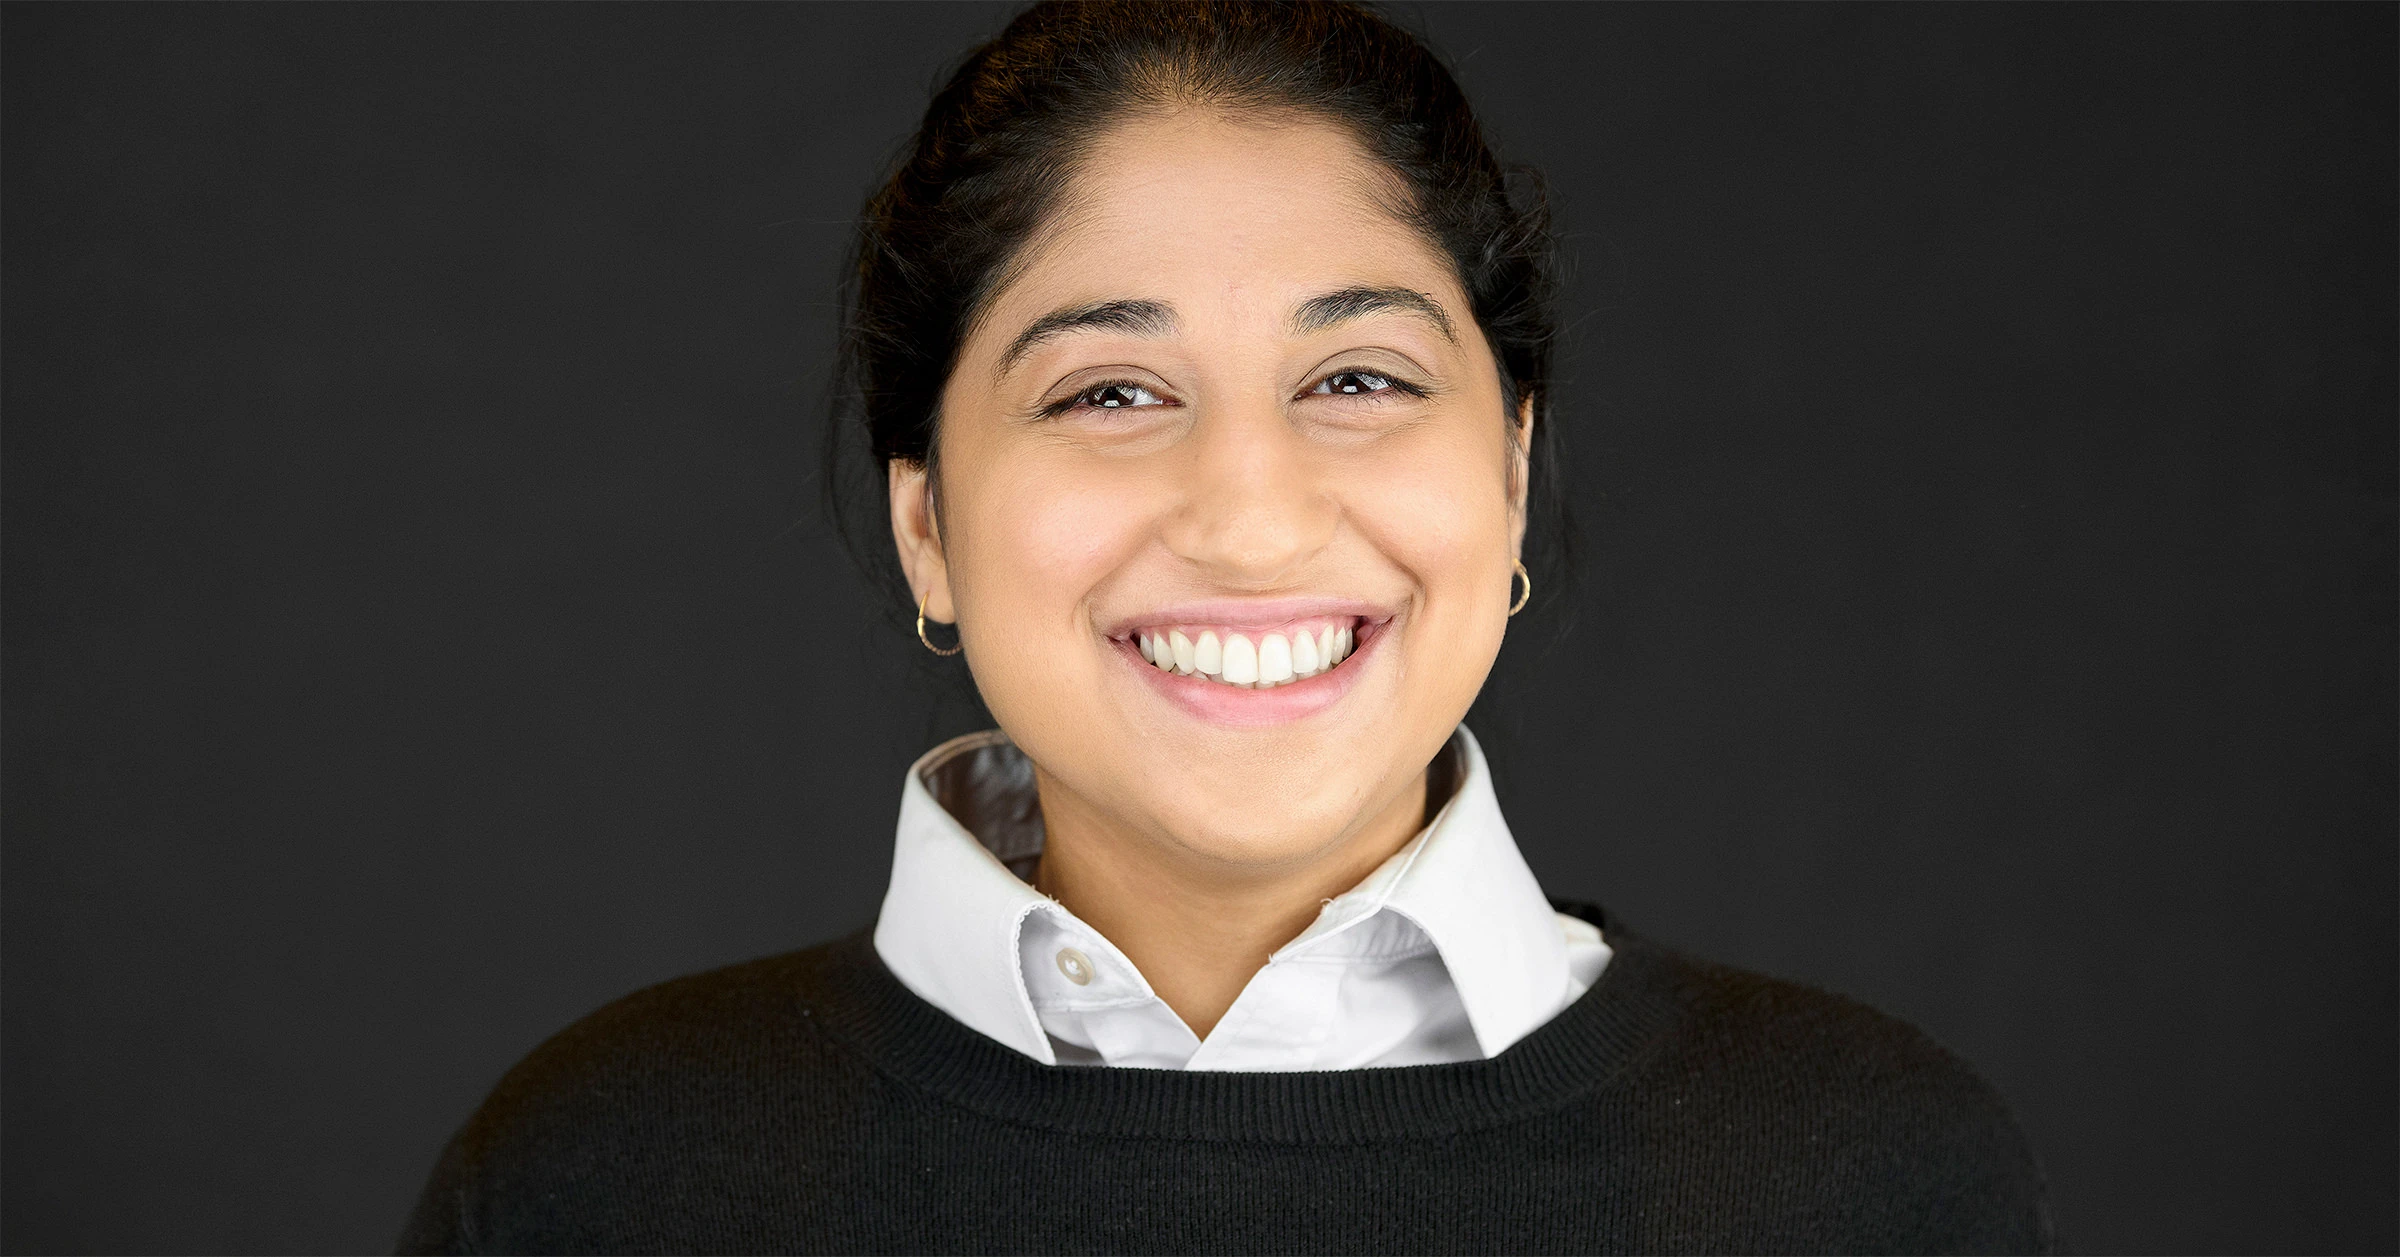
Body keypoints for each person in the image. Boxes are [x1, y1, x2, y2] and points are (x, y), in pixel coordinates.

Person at [399, 2, 2052, 1251]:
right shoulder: (601, 1175)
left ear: (1512, 462)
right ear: (929, 522)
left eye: (1356, 380)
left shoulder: (1868, 1174)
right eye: (1110, 390)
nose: (1250, 517)